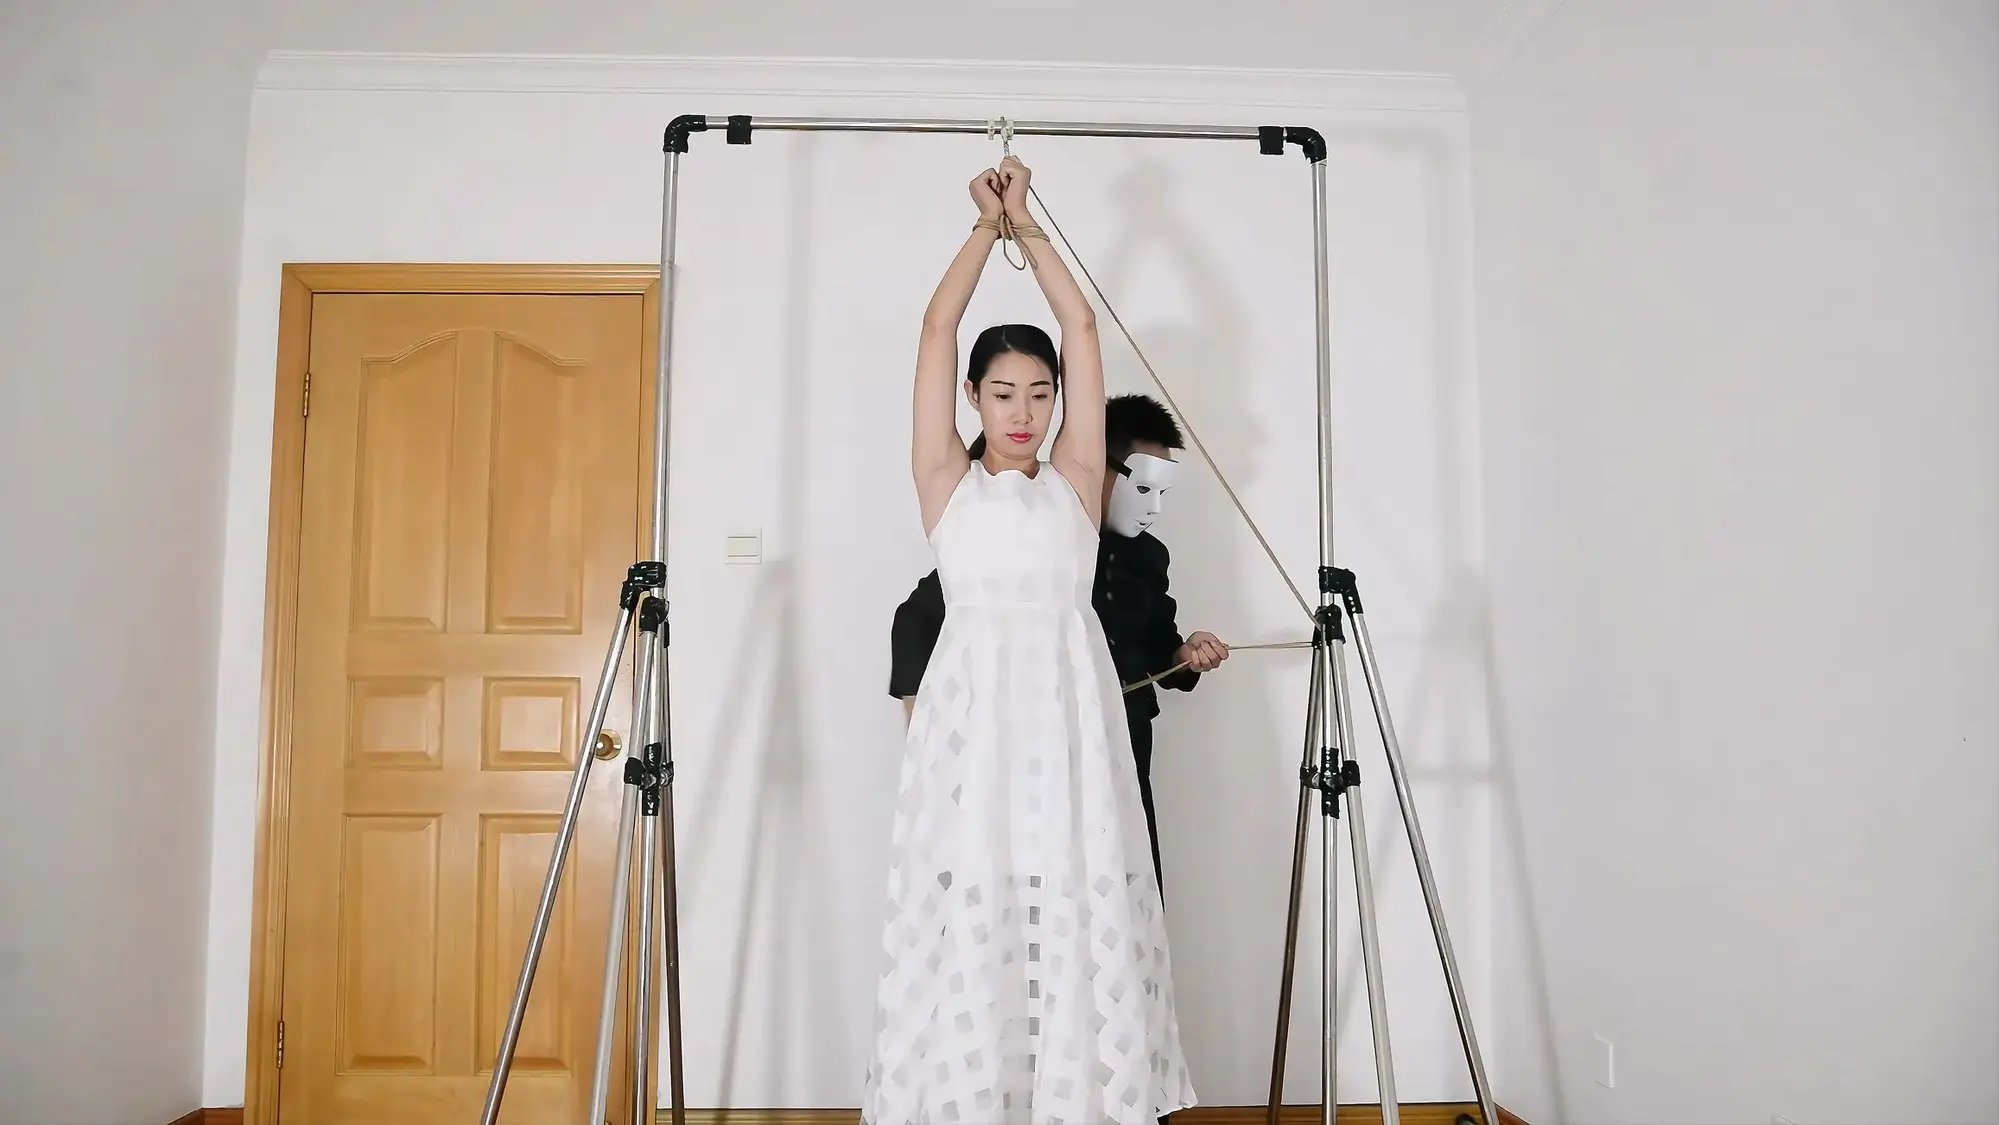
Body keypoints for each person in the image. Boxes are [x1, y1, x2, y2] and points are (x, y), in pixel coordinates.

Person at [860, 156, 1196, 1125]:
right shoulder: (945, 482)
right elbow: (936, 328)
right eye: (1003, 393)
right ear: (973, 397)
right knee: (976, 884)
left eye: (1040, 394)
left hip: (1066, 709)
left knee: (1070, 886)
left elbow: (1081, 326)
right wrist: (983, 227)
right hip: (971, 714)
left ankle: (1072, 1096)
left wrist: (1032, 224)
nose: (1022, 413)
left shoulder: (1078, 480)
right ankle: (972, 1094)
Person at [888, 392, 1228, 891]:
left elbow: (1161, 647)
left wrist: (1186, 655)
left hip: (1125, 739)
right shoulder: (1038, 536)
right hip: (1045, 743)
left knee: (1125, 879)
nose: (1153, 507)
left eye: (1163, 491)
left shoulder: (1150, 557)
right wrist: (927, 723)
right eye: (1142, 486)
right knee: (1043, 882)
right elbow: (919, 616)